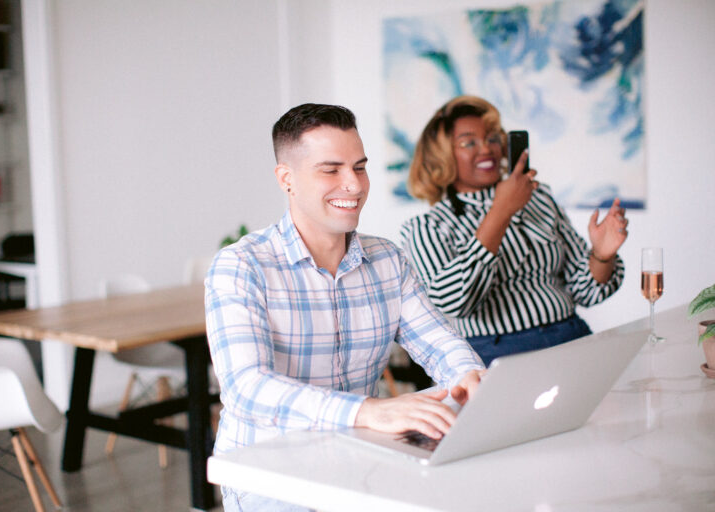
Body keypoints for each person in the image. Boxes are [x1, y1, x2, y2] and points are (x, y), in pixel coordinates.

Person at [205, 103, 484, 511]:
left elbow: (440, 343)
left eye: (359, 167)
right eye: (331, 170)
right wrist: (368, 412)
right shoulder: (241, 265)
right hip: (272, 472)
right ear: (286, 179)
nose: (353, 185)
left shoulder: (387, 259)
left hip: (361, 458)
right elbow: (247, 388)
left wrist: (468, 377)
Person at [400, 95, 628, 367]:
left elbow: (586, 291)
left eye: (492, 138)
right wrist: (501, 211)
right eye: (469, 142)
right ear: (441, 156)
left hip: (571, 337)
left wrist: (601, 255)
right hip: (496, 354)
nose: (487, 148)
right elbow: (456, 301)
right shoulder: (426, 227)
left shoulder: (539, 197)